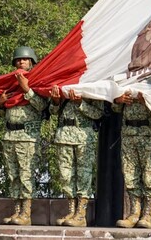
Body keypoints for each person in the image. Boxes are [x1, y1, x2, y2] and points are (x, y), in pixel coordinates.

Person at [0, 46, 48, 225]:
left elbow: (42, 106)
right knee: (13, 176)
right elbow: (4, 113)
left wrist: (27, 89)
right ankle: (16, 211)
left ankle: (26, 214)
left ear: (32, 62)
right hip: (10, 135)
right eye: (18, 60)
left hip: (28, 136)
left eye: (25, 60)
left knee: (25, 176)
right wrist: (1, 104)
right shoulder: (10, 84)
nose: (21, 62)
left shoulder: (39, 81)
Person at [49, 84, 103, 227]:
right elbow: (52, 111)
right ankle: (71, 211)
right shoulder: (64, 82)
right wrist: (55, 101)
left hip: (83, 136)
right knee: (65, 175)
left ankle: (81, 214)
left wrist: (81, 103)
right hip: (63, 134)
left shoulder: (92, 85)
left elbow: (98, 113)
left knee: (84, 175)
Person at [112, 90, 151, 229]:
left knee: (149, 175)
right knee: (130, 175)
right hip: (129, 133)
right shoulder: (128, 80)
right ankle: (134, 213)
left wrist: (147, 102)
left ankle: (148, 215)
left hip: (149, 134)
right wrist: (118, 100)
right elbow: (114, 108)